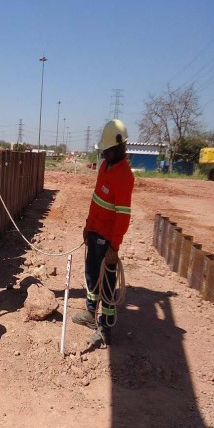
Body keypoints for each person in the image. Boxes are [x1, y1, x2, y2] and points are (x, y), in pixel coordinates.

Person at [72, 119, 134, 347]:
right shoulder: (104, 168)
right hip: (94, 232)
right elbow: (96, 201)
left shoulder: (125, 177)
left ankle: (105, 327)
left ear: (118, 147)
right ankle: (90, 313)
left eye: (107, 150)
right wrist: (88, 226)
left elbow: (123, 216)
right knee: (91, 275)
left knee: (107, 282)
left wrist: (114, 247)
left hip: (107, 239)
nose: (104, 154)